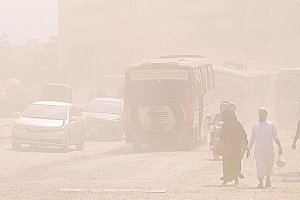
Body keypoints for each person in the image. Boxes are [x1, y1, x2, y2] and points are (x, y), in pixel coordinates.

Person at [246, 107, 283, 189]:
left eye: (262, 114)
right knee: (260, 164)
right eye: (259, 114)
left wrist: (280, 147)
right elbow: (252, 138)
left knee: (269, 164)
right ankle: (260, 182)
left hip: (269, 149)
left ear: (266, 115)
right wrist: (248, 148)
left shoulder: (272, 125)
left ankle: (268, 180)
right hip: (259, 149)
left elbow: (275, 137)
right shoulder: (255, 126)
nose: (261, 116)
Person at [220, 109, 247, 185]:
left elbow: (242, 133)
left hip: (231, 147)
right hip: (233, 147)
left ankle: (232, 179)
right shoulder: (233, 124)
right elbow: (243, 134)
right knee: (232, 163)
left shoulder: (231, 124)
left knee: (230, 163)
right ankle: (230, 178)